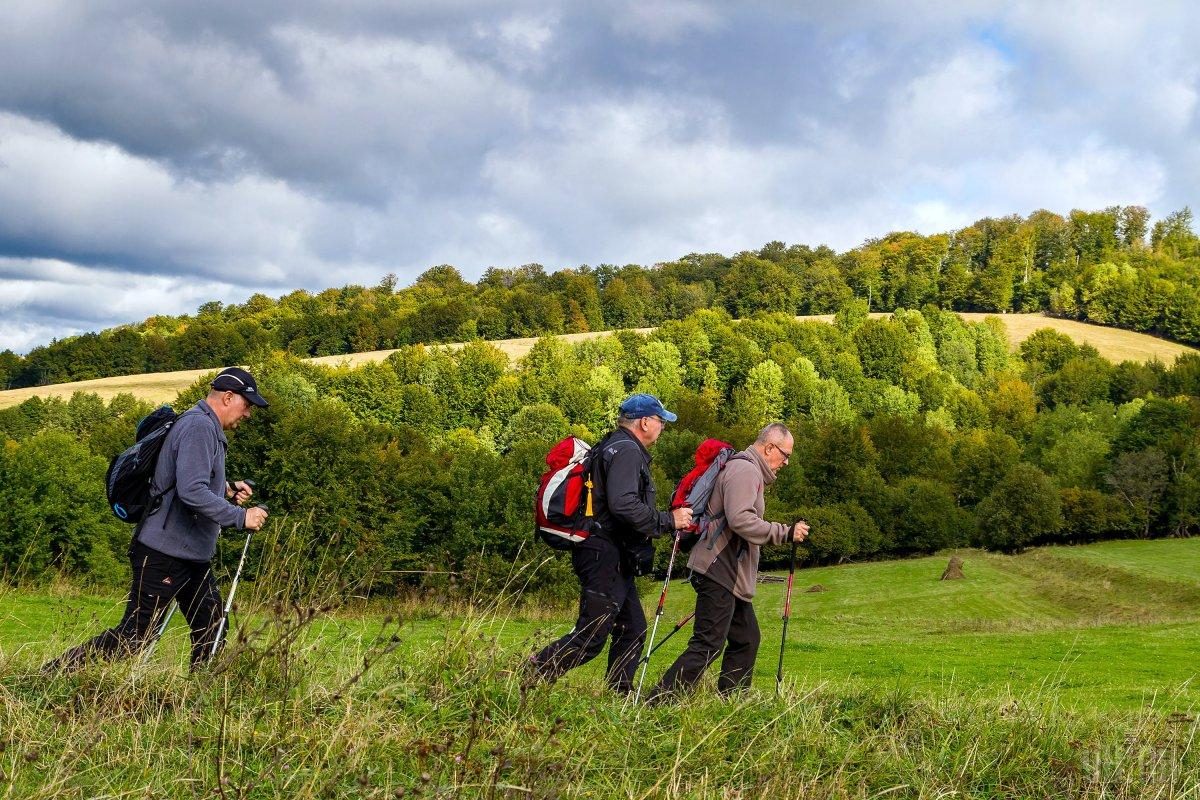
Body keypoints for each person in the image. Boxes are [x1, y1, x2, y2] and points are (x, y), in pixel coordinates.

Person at [43, 367, 270, 674]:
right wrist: (241, 517)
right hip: (164, 553)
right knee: (134, 637)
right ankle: (52, 674)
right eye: (247, 405)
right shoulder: (199, 427)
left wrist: (227, 489)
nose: (248, 414)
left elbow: (189, 481)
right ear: (228, 397)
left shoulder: (204, 427)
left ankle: (197, 700)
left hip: (190, 555)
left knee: (212, 627)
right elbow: (191, 492)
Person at [527, 393, 693, 694]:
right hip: (605, 553)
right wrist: (669, 520)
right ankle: (530, 676)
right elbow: (623, 504)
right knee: (591, 635)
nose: (662, 427)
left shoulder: (611, 445)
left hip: (607, 551)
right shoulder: (627, 451)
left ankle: (620, 695)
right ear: (644, 422)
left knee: (632, 629)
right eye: (660, 421)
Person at [648, 422, 809, 702]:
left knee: (746, 638)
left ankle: (731, 702)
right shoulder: (745, 469)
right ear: (769, 447)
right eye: (785, 454)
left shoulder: (748, 470)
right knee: (708, 643)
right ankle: (658, 702)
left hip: (727, 571)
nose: (786, 462)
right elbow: (740, 520)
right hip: (718, 569)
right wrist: (784, 532)